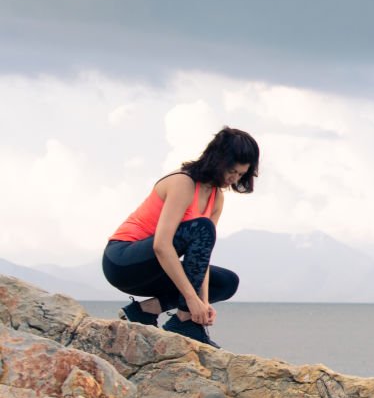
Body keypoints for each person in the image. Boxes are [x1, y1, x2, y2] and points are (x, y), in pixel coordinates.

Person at [102, 127, 259, 346]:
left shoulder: (217, 199)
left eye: (240, 175)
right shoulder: (183, 183)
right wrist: (191, 300)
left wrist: (202, 306)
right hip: (123, 262)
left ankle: (148, 312)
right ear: (217, 160)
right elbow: (162, 246)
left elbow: (201, 257)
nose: (233, 179)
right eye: (231, 170)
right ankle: (185, 319)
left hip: (156, 270)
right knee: (201, 228)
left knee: (226, 282)